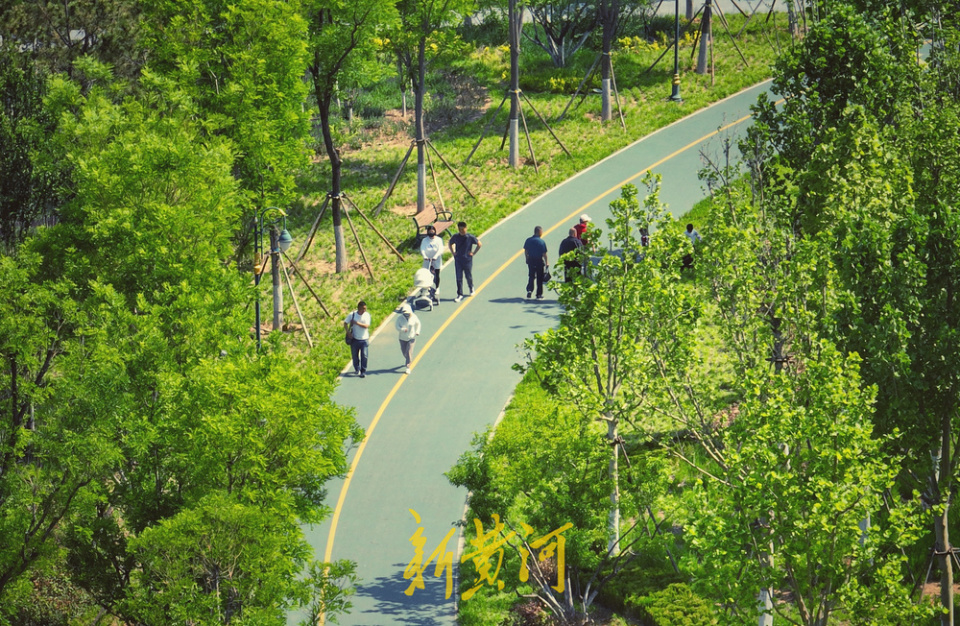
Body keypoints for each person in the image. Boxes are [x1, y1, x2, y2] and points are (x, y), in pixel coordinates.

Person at [449, 221, 482, 302]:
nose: (461, 231)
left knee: (468, 276)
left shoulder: (470, 237)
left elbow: (479, 244)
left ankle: (471, 288)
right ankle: (460, 294)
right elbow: (450, 243)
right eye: (460, 229)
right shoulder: (456, 237)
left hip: (467, 260)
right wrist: (453, 252)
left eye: (463, 229)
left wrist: (473, 253)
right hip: (458, 260)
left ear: (466, 228)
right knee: (458, 277)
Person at [344, 300, 371, 377]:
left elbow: (366, 326)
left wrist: (356, 323)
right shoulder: (352, 315)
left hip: (364, 339)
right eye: (363, 309)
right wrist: (348, 332)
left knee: (364, 356)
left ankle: (363, 371)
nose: (364, 310)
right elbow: (345, 323)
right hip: (355, 339)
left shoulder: (367, 315)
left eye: (365, 309)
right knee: (355, 356)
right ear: (359, 308)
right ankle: (357, 368)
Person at [523, 226, 549, 300]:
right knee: (539, 278)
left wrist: (527, 258)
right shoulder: (541, 242)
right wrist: (547, 262)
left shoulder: (528, 240)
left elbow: (526, 250)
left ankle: (529, 290)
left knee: (531, 276)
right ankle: (539, 294)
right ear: (539, 232)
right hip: (539, 261)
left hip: (531, 260)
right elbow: (544, 253)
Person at [395, 302, 421, 374]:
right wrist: (402, 329)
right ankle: (408, 359)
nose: (406, 314)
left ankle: (408, 366)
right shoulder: (399, 318)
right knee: (404, 352)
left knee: (409, 352)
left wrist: (417, 331)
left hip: (411, 338)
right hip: (402, 338)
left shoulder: (414, 317)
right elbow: (397, 326)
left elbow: (418, 324)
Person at [420, 225, 443, 304]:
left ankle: (437, 287)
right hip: (427, 260)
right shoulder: (424, 240)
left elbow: (440, 249)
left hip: (436, 260)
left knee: (436, 274)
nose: (431, 233)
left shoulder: (439, 240)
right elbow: (422, 249)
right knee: (427, 274)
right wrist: (425, 256)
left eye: (432, 232)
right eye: (430, 232)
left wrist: (435, 256)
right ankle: (427, 288)